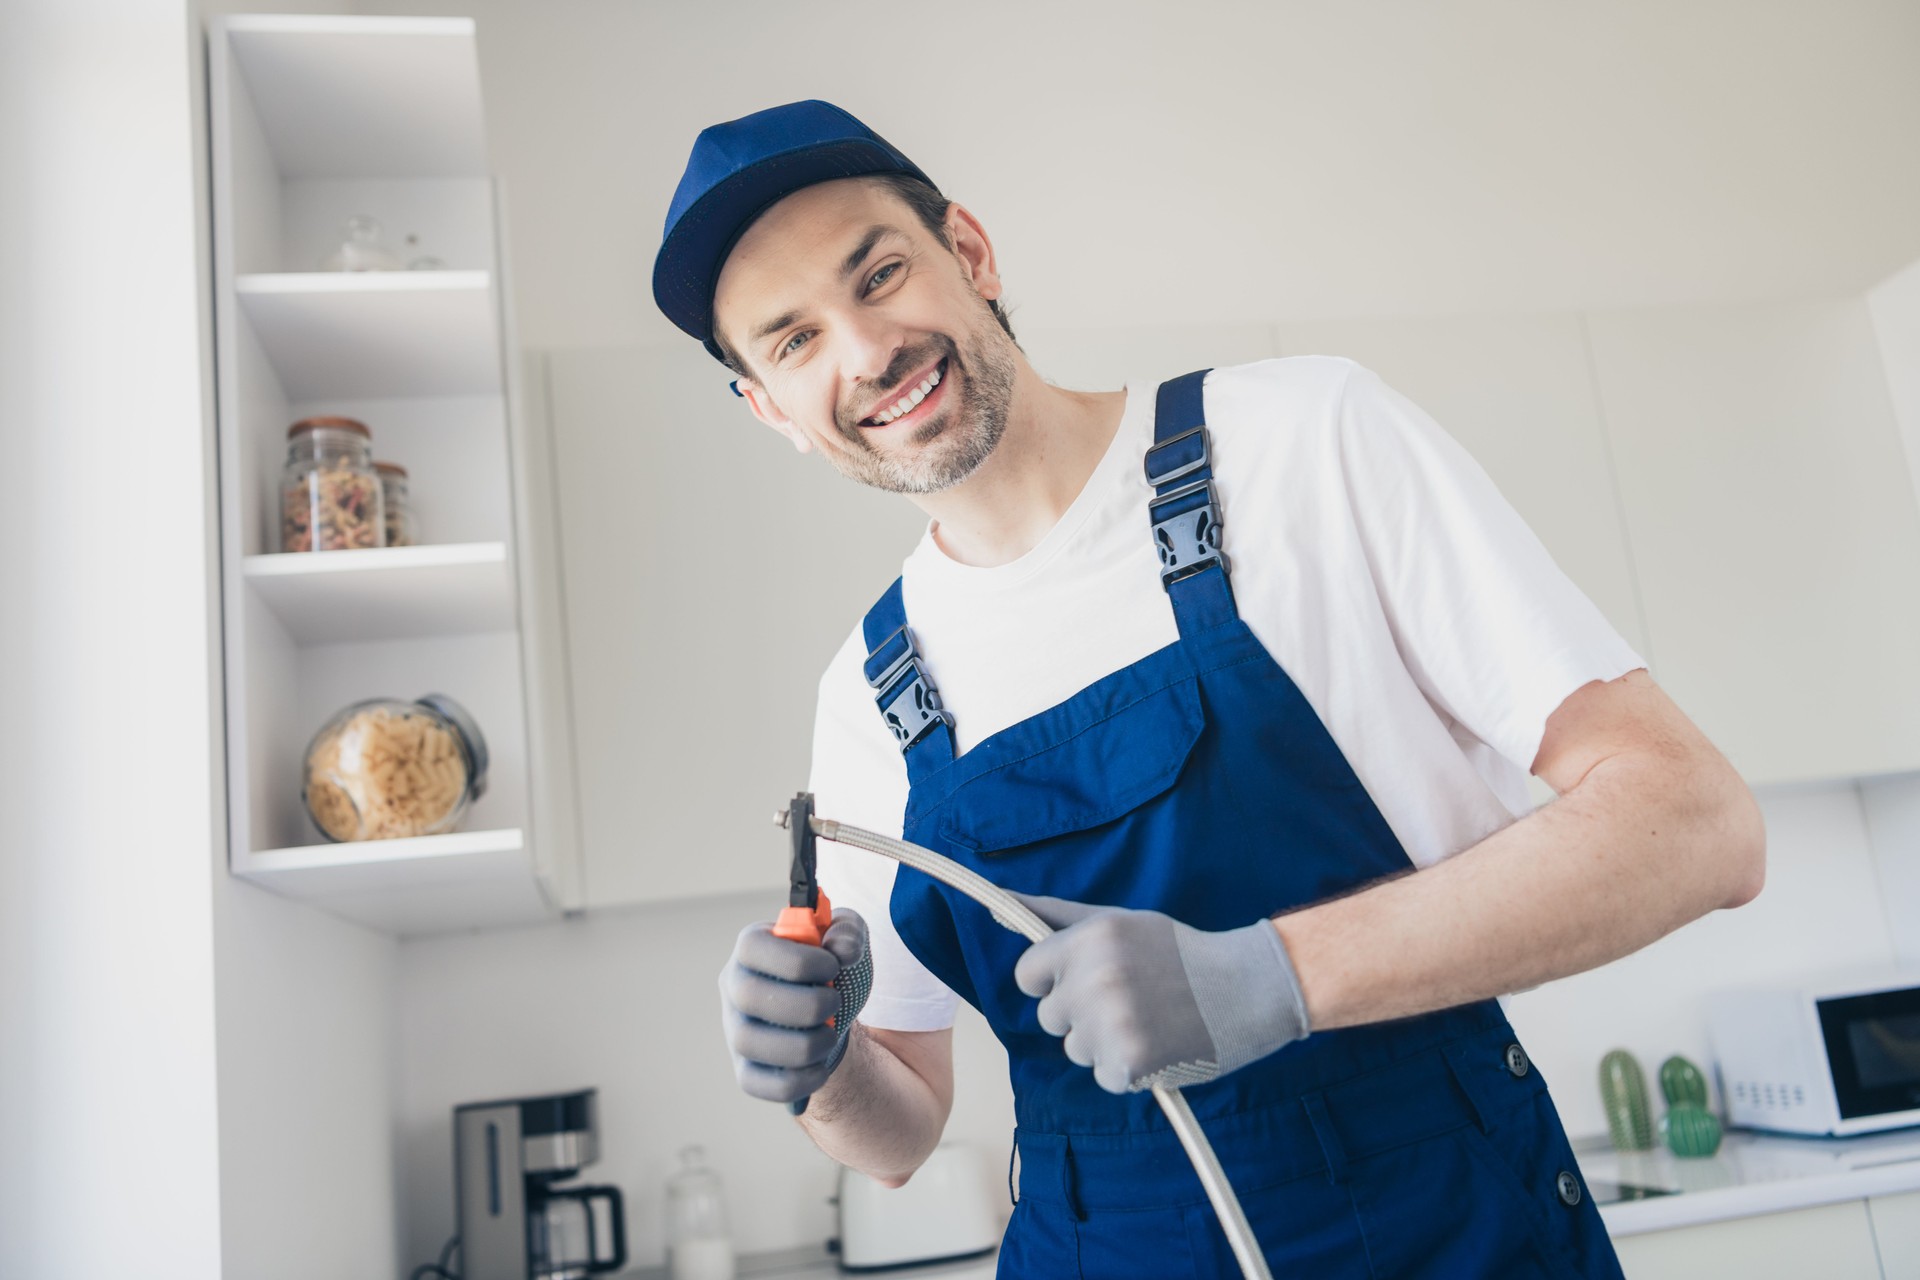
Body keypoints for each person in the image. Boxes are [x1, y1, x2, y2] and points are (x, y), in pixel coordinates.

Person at [653, 100, 1765, 1278]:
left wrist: (1272, 974)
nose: (865, 352)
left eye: (878, 274)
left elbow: (1697, 823)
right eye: (794, 341)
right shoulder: (870, 695)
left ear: (968, 251)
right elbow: (901, 1127)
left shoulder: (1301, 442)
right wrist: (822, 1066)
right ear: (771, 407)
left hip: (1456, 1235)